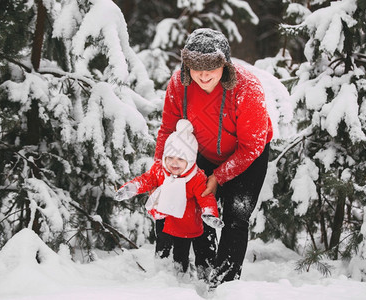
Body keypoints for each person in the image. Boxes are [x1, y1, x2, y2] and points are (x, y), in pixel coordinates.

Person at [153, 28, 273, 288]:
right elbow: (167, 130)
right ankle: (205, 269)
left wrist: (219, 177)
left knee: (236, 215)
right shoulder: (179, 85)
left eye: (211, 68)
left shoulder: (247, 89)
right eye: (196, 68)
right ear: (187, 66)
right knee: (195, 205)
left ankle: (225, 284)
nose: (204, 75)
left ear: (225, 65)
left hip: (247, 156)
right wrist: (161, 170)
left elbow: (252, 146)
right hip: (203, 151)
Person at [115, 119, 224, 280]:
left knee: (181, 254)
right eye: (170, 157)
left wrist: (209, 214)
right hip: (164, 220)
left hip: (185, 224)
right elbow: (145, 180)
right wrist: (129, 189)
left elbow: (205, 197)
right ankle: (162, 275)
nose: (174, 163)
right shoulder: (160, 170)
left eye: (180, 159)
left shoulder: (196, 177)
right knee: (162, 247)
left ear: (190, 160)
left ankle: (182, 278)